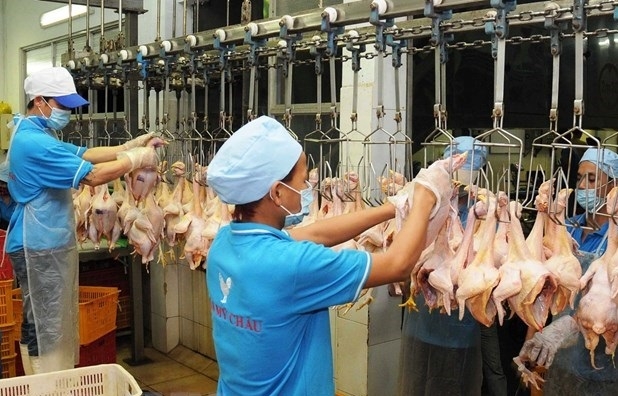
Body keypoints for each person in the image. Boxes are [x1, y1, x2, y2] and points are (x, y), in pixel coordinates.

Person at [204, 115, 454, 395]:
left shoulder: (225, 242)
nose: (306, 189)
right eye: (301, 182)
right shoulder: (292, 265)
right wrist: (426, 198)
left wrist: (392, 207)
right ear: (277, 192)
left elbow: (318, 234)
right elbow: (397, 265)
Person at [5, 66, 164, 374]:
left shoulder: (37, 132)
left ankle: (47, 380)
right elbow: (93, 176)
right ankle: (45, 385)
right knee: (45, 323)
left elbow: (86, 154)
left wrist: (127, 146)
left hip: (44, 240)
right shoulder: (34, 142)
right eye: (62, 104)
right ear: (39, 100)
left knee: (43, 320)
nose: (66, 111)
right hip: (38, 245)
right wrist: (135, 160)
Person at [397, 136, 507, 396]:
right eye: (457, 169)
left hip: (463, 321)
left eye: (470, 168)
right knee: (419, 378)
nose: (461, 176)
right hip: (423, 316)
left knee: (455, 380)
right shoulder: (429, 204)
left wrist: (496, 212)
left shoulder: (484, 208)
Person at [517, 147, 618, 395]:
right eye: (579, 178)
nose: (582, 186)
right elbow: (541, 292)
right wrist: (531, 348)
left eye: (592, 178)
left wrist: (568, 327)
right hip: (556, 358)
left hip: (603, 363)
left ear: (614, 186)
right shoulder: (566, 228)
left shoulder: (615, 238)